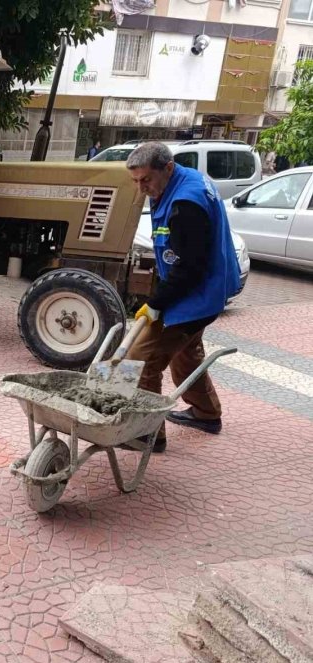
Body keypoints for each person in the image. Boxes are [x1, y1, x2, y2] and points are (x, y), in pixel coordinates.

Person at [124, 142, 240, 453]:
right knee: (185, 352)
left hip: (198, 292)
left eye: (146, 180)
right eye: (135, 181)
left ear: (168, 168)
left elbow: (188, 268)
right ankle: (205, 413)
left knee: (141, 357)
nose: (141, 187)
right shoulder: (186, 180)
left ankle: (147, 435)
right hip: (206, 286)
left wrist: (157, 303)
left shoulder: (185, 204)